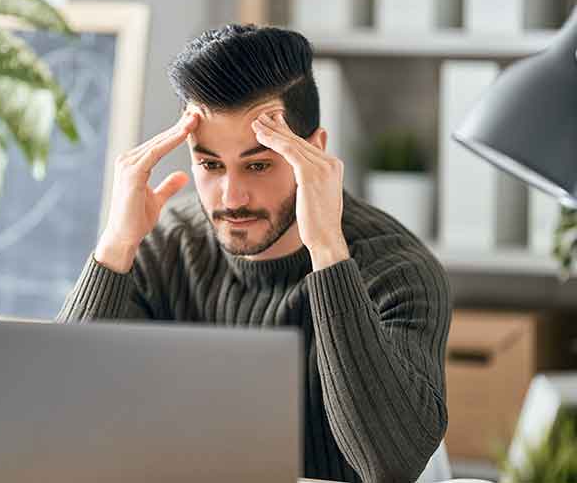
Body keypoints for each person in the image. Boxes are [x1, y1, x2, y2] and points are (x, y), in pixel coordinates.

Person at [57, 24, 451, 483]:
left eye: (258, 164)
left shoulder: (399, 271)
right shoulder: (164, 245)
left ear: (315, 152)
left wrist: (326, 249)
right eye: (209, 164)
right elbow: (59, 430)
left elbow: (390, 465)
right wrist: (114, 246)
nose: (231, 196)